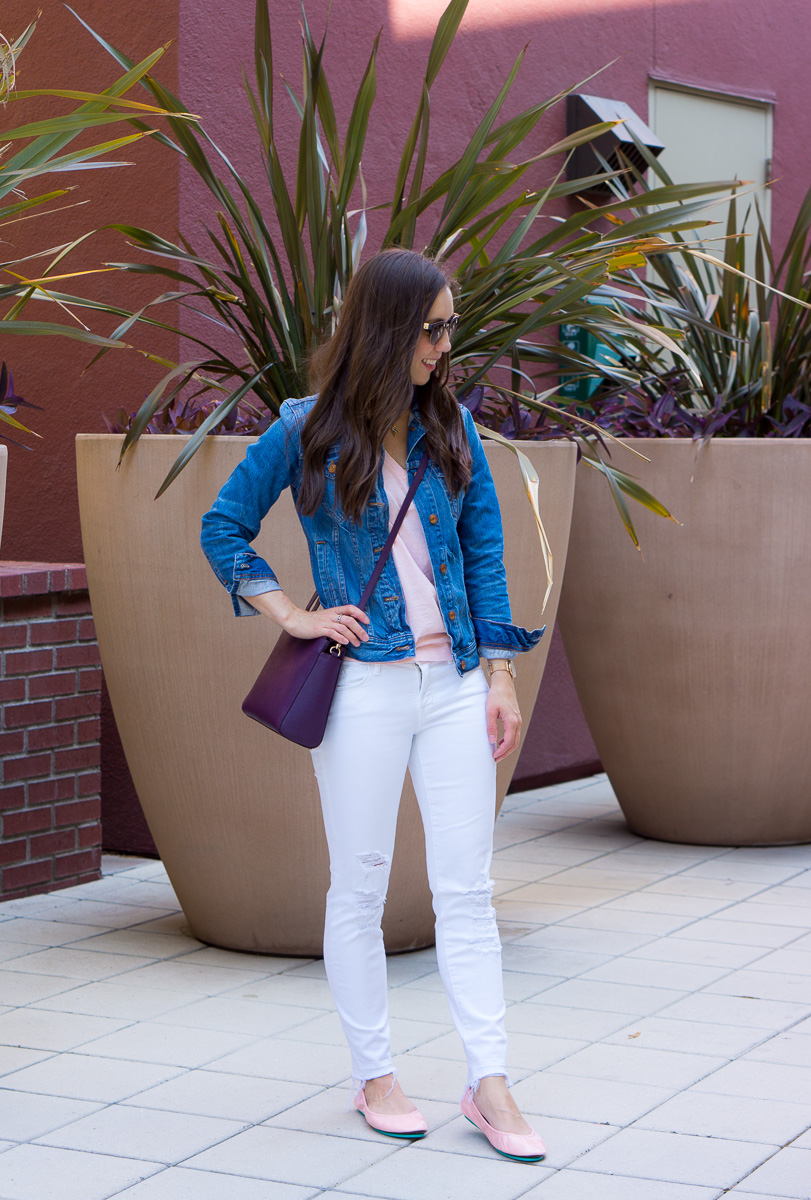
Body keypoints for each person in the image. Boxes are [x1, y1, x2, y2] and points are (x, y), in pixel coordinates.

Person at [200, 248, 547, 1162]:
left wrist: (501, 676)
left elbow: (482, 556)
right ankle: (375, 1072)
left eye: (449, 326)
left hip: (455, 683)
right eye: (432, 327)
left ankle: (490, 1078)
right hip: (363, 686)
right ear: (388, 328)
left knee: (465, 890)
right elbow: (223, 524)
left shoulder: (453, 430)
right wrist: (292, 613)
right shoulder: (305, 429)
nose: (445, 343)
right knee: (357, 886)